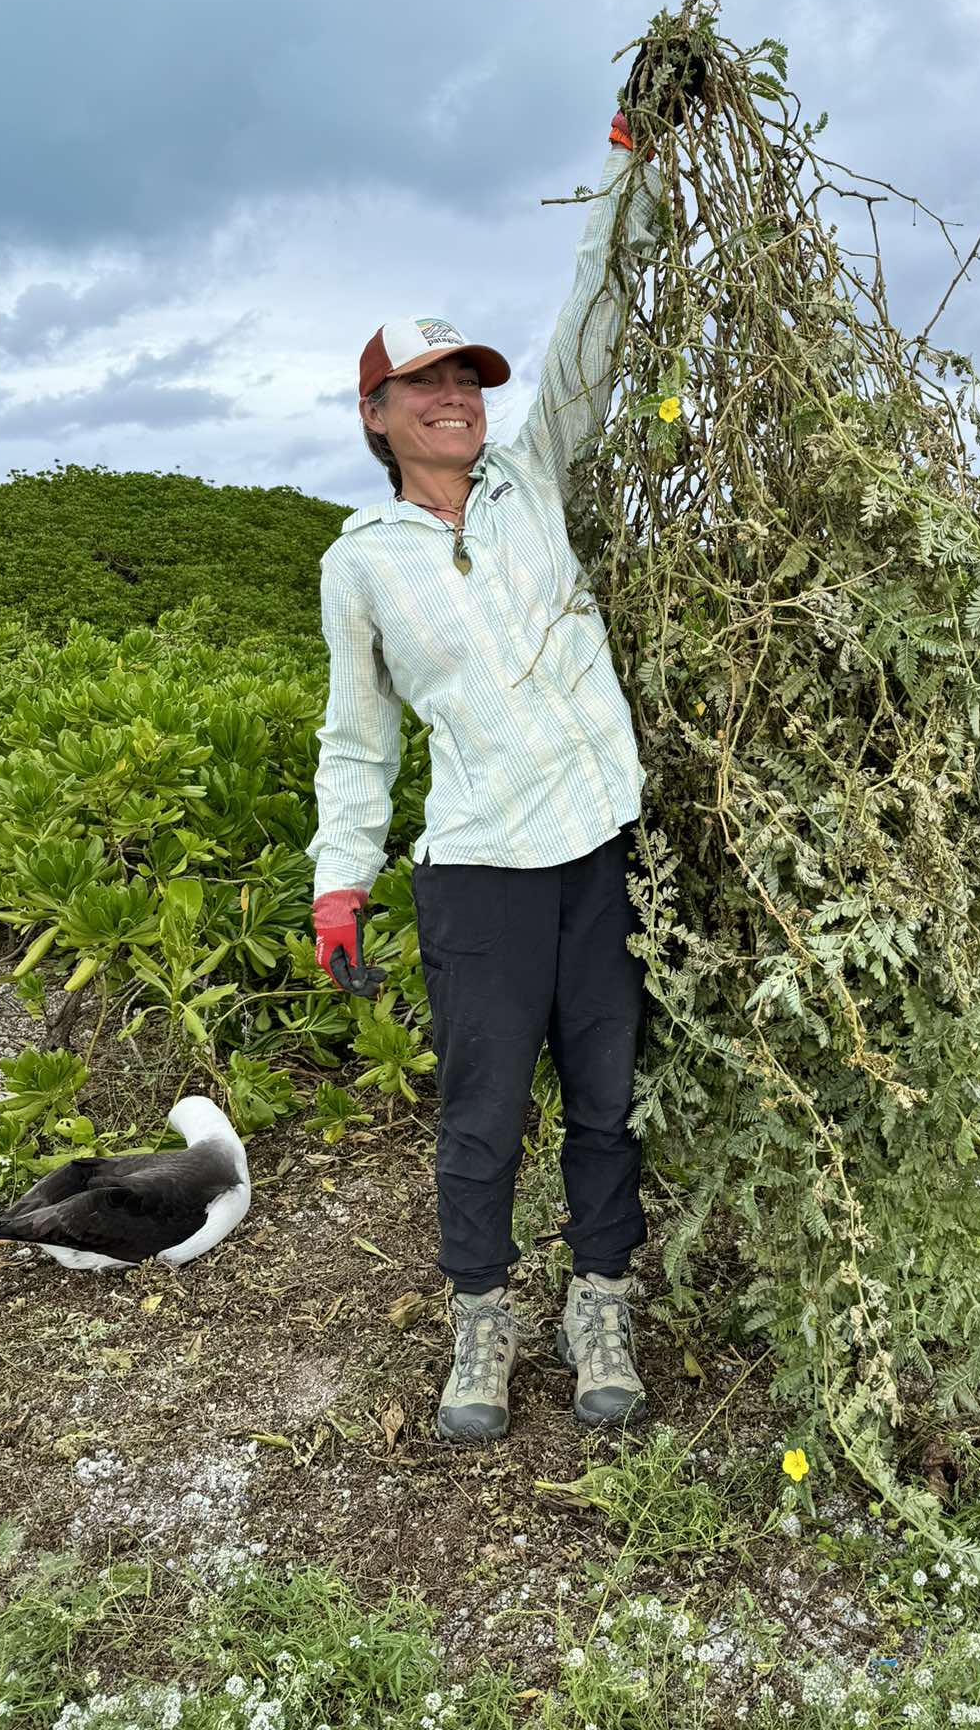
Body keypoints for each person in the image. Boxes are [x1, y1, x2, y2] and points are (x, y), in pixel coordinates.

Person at [308, 101, 662, 1446]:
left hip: (599, 849)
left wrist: (633, 160)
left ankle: (601, 1306)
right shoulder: (362, 565)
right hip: (478, 875)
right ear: (379, 415)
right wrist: (341, 883)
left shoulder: (536, 482)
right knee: (483, 1113)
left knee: (608, 1103)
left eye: (470, 382)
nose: (461, 399)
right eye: (429, 386)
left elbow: (590, 317)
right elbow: (361, 739)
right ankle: (481, 1324)